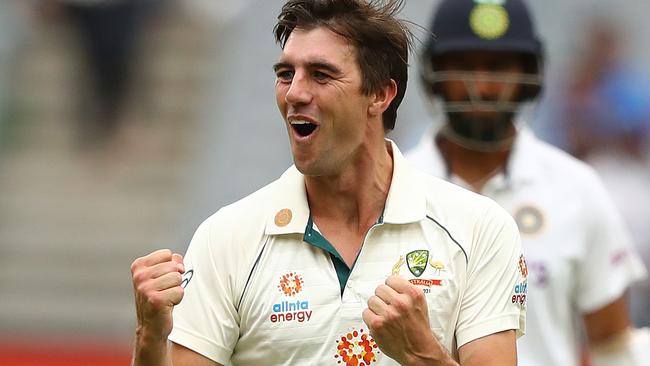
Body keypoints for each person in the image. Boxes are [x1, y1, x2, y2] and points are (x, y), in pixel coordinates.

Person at [130, 0, 527, 365]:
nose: (295, 93)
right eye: (286, 74)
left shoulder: (478, 228)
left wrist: (422, 354)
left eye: (321, 75)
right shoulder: (225, 238)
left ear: (381, 95)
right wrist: (150, 336)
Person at [406, 1, 649, 366]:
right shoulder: (396, 187)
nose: (483, 87)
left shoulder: (575, 188)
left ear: (530, 73)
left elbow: (613, 344)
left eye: (500, 68)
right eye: (465, 66)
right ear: (433, 71)